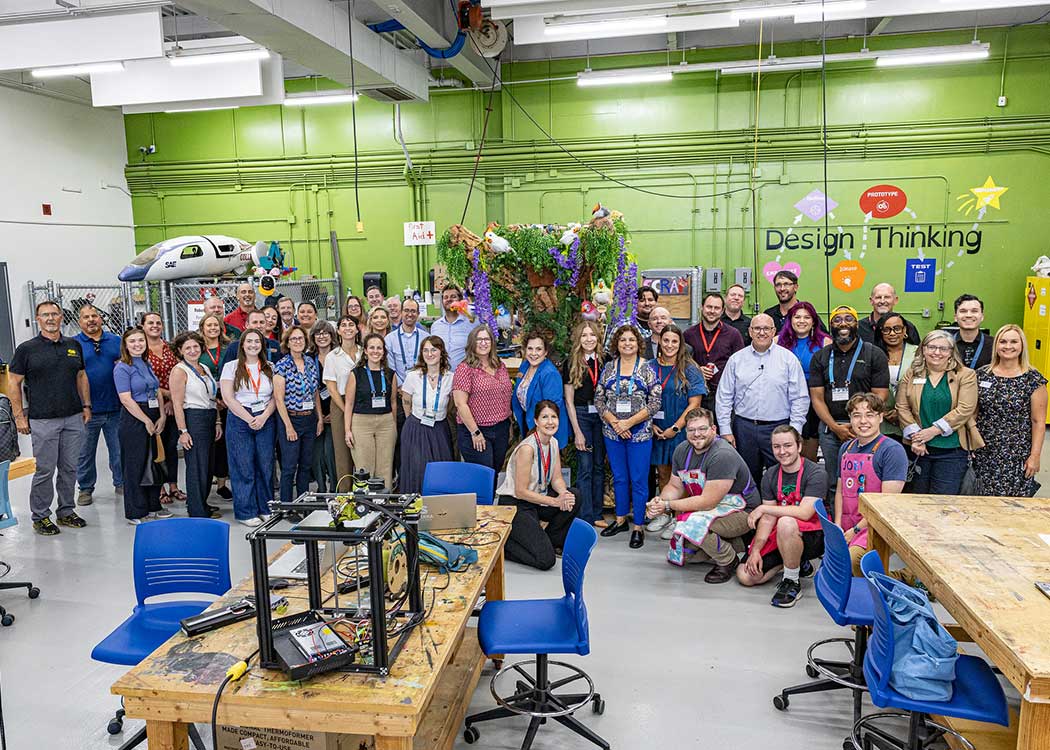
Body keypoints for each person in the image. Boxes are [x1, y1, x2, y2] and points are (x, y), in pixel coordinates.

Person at [5, 300, 91, 535]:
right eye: (45, 315)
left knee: (69, 468)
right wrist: (19, 415)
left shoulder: (73, 345)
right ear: (38, 319)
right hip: (43, 420)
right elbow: (13, 382)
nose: (51, 318)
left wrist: (86, 405)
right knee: (45, 469)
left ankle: (65, 512)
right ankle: (41, 516)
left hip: (73, 417)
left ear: (61, 317)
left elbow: (81, 376)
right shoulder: (27, 349)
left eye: (54, 314)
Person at [645, 408, 760, 583]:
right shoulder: (681, 450)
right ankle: (739, 543)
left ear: (713, 429)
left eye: (702, 429)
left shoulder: (722, 454)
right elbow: (675, 486)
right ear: (686, 432)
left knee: (692, 524)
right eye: (691, 430)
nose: (696, 434)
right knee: (687, 554)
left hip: (742, 511)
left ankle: (728, 560)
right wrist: (660, 501)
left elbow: (707, 502)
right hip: (713, 509)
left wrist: (668, 506)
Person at [737, 426, 827, 607]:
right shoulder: (770, 475)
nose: (782, 451)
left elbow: (804, 513)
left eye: (787, 445)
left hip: (813, 537)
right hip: (782, 536)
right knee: (745, 575)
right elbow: (768, 519)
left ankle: (792, 581)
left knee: (786, 522)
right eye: (776, 447)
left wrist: (764, 508)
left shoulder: (816, 473)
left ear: (799, 446)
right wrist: (755, 550)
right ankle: (794, 561)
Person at [716, 314, 809, 484]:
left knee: (783, 477)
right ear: (750, 331)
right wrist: (725, 430)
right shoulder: (736, 360)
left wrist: (795, 430)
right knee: (746, 478)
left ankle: (781, 510)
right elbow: (724, 396)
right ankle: (752, 509)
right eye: (757, 328)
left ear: (774, 331)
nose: (762, 332)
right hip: (744, 428)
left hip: (779, 427)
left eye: (766, 328)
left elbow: (800, 398)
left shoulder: (788, 359)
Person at [808, 305, 890, 492]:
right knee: (833, 482)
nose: (843, 323)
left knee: (866, 481)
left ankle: (862, 520)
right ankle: (835, 520)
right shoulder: (820, 357)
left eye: (848, 319)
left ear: (856, 324)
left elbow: (880, 395)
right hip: (830, 429)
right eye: (837, 320)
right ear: (830, 326)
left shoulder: (874, 354)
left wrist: (859, 424)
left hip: (864, 428)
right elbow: (817, 399)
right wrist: (836, 427)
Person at [595, 324, 661, 549]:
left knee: (639, 480)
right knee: (619, 477)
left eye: (631, 340)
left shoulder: (648, 368)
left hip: (640, 434)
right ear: (616, 343)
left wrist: (629, 423)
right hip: (612, 433)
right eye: (623, 340)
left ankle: (638, 526)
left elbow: (655, 402)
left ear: (638, 343)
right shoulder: (609, 368)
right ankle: (621, 519)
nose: (627, 344)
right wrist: (615, 423)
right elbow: (599, 399)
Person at [895, 329, 982, 495]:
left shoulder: (965, 375)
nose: (937, 352)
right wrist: (917, 437)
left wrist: (933, 431)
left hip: (952, 451)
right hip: (918, 449)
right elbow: (902, 406)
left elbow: (965, 408)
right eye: (931, 347)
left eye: (943, 348)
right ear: (923, 349)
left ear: (951, 352)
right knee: (917, 500)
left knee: (943, 502)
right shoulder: (912, 374)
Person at [496, 400, 580, 570]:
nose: (550, 422)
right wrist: (555, 502)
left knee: (574, 496)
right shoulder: (528, 448)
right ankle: (502, 547)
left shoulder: (553, 443)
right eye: (545, 417)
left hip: (537, 498)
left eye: (554, 417)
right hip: (515, 504)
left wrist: (563, 494)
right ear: (536, 421)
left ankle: (548, 540)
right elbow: (520, 492)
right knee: (546, 561)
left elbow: (556, 478)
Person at [835, 393, 908, 574]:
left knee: (854, 562)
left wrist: (856, 529)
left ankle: (902, 579)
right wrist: (837, 524)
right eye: (857, 415)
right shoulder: (846, 448)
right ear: (850, 419)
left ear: (881, 417)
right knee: (836, 569)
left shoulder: (891, 451)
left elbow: (885, 506)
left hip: (875, 528)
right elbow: (839, 491)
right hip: (848, 523)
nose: (863, 421)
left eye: (870, 415)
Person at [973, 324, 1048, 497]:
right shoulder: (982, 375)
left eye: (1014, 341)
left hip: (1017, 454)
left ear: (1022, 345)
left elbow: (1038, 422)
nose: (1008, 346)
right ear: (996, 345)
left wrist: (1035, 456)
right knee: (981, 503)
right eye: (1003, 341)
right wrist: (971, 446)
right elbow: (973, 415)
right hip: (984, 451)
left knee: (1014, 506)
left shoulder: (1033, 379)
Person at [113, 327, 172, 525]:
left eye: (140, 340)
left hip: (154, 413)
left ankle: (153, 505)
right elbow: (126, 399)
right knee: (135, 464)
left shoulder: (146, 363)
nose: (137, 344)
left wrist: (162, 415)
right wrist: (145, 420)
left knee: (154, 461)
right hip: (134, 418)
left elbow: (156, 391)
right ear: (126, 345)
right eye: (133, 341)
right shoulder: (122, 367)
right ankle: (135, 511)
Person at [219, 330, 277, 526]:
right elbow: (228, 398)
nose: (253, 344)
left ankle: (265, 507)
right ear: (242, 345)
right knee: (243, 466)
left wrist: (263, 417)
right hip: (239, 418)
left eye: (257, 341)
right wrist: (249, 418)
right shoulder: (231, 367)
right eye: (249, 341)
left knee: (265, 465)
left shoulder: (270, 367)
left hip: (265, 418)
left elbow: (275, 398)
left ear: (262, 344)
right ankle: (246, 512)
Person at [648, 325, 705, 509]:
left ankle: (679, 516)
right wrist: (650, 423)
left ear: (680, 344)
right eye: (666, 340)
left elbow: (695, 403)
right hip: (656, 430)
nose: (669, 345)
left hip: (680, 430)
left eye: (674, 341)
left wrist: (675, 428)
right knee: (663, 472)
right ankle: (665, 512)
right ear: (659, 341)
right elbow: (640, 399)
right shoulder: (649, 367)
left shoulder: (690, 369)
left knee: (682, 475)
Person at [74, 304, 123, 506]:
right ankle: (85, 488)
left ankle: (121, 483)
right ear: (80, 322)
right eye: (86, 317)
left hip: (115, 407)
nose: (91, 320)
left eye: (94, 315)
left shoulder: (116, 341)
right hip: (87, 410)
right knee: (84, 453)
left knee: (119, 450)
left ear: (100, 318)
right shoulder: (73, 344)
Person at [168, 332, 221, 519]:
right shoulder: (180, 370)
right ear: (180, 351)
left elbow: (212, 397)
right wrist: (183, 431)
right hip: (193, 418)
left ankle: (202, 502)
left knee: (207, 464)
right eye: (187, 348)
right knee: (196, 465)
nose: (192, 350)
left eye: (195, 346)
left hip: (208, 416)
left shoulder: (204, 367)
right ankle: (197, 510)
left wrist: (217, 421)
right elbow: (177, 403)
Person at [452, 325, 513, 479]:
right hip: (476, 431)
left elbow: (506, 397)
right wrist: (475, 432)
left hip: (501, 429)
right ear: (472, 343)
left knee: (495, 473)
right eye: (479, 339)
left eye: (486, 339)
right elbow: (460, 404)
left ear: (492, 342)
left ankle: (489, 503)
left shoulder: (500, 365)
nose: (483, 343)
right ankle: (479, 504)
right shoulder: (465, 368)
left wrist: (509, 423)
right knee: (483, 476)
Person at [562, 320, 607, 527]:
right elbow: (569, 401)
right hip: (581, 415)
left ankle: (598, 514)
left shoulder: (606, 360)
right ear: (578, 339)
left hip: (602, 415)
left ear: (598, 337)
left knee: (599, 465)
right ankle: (585, 516)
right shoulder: (571, 362)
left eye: (592, 335)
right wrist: (577, 432)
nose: (589, 339)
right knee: (585, 466)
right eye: (584, 335)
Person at [273, 325, 323, 503]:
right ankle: (286, 506)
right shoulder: (282, 365)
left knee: (305, 465)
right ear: (287, 342)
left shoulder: (310, 362)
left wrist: (319, 419)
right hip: (291, 419)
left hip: (309, 419)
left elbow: (315, 392)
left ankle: (303, 502)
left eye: (300, 338)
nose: (297, 342)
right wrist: (288, 426)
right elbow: (278, 399)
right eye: (293, 339)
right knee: (289, 467)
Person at [399, 336, 455, 493]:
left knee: (440, 470)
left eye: (434, 350)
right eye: (426, 350)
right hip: (416, 428)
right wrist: (413, 420)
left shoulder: (450, 378)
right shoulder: (413, 376)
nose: (430, 354)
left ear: (441, 352)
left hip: (439, 429)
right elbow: (406, 401)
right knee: (417, 470)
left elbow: (451, 404)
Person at [777, 301, 831, 461]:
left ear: (814, 321)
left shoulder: (826, 342)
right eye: (797, 317)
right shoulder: (776, 341)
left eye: (807, 317)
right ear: (790, 320)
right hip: (784, 399)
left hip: (814, 399)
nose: (801, 321)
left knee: (808, 449)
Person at [142, 312, 184, 506]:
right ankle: (160, 488)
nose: (155, 326)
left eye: (158, 322)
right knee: (156, 448)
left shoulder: (171, 348)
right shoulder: (140, 350)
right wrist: (166, 397)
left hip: (174, 405)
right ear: (143, 326)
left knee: (171, 447)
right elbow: (145, 381)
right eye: (150, 323)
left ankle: (174, 485)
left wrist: (172, 402)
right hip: (151, 404)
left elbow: (180, 373)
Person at [345, 333, 398, 489]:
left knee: (385, 467)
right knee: (364, 466)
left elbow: (393, 402)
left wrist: (393, 425)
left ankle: (384, 504)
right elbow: (349, 403)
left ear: (383, 352)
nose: (376, 351)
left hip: (386, 423)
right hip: (361, 423)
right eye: (372, 348)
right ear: (366, 351)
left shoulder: (390, 374)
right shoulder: (356, 373)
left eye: (379, 348)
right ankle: (365, 506)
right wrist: (347, 430)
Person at [683, 292, 744, 414]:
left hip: (724, 396)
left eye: (716, 308)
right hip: (696, 395)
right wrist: (697, 370)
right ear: (701, 307)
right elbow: (681, 363)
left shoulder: (734, 334)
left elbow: (741, 365)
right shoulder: (688, 334)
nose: (712, 311)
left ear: (722, 311)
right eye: (709, 307)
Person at [323, 316, 362, 490]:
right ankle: (345, 494)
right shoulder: (332, 356)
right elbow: (331, 388)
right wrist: (347, 409)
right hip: (341, 402)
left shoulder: (364, 352)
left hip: (363, 404)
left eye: (351, 325)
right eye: (343, 325)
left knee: (361, 449)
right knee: (343, 452)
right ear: (338, 331)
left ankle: (364, 493)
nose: (347, 328)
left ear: (357, 329)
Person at [512, 332, 569, 450]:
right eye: (530, 348)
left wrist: (541, 438)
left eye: (538, 349)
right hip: (529, 424)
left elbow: (551, 411)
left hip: (545, 432)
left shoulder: (549, 374)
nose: (533, 353)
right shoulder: (525, 366)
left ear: (545, 352)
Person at [198, 312, 233, 501]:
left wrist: (225, 399)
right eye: (209, 325)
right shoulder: (198, 349)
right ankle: (204, 483)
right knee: (207, 445)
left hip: (228, 401)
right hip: (205, 401)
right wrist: (214, 400)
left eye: (216, 325)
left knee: (223, 446)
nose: (213, 328)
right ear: (202, 328)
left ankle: (221, 484)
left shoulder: (228, 348)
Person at [874, 313, 919, 440]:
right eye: (886, 330)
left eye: (897, 328)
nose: (892, 333)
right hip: (881, 418)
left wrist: (901, 412)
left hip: (911, 419)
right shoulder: (873, 354)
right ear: (880, 332)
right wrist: (883, 411)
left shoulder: (918, 353)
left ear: (905, 330)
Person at [309, 321, 338, 492]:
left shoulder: (338, 356)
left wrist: (335, 413)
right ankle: (321, 488)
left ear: (332, 335)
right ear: (313, 337)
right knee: (317, 455)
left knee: (332, 453)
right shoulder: (308, 358)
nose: (322, 336)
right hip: (315, 411)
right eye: (318, 333)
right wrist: (320, 416)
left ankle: (335, 488)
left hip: (336, 409)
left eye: (325, 333)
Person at [432, 285, 477, 371]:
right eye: (446, 297)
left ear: (460, 300)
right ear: (442, 301)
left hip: (465, 377)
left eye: (453, 296)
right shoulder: (435, 326)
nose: (449, 299)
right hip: (441, 377)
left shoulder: (471, 324)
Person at [386, 298, 428, 385]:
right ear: (401, 312)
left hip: (422, 386)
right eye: (406, 310)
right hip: (398, 388)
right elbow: (390, 368)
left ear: (418, 314)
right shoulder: (389, 339)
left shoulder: (427, 338)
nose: (410, 314)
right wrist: (401, 387)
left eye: (413, 311)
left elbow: (429, 365)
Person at [952, 294, 993, 370]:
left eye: (974, 311)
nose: (968, 315)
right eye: (963, 311)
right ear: (955, 317)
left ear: (982, 317)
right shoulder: (946, 344)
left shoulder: (994, 345)